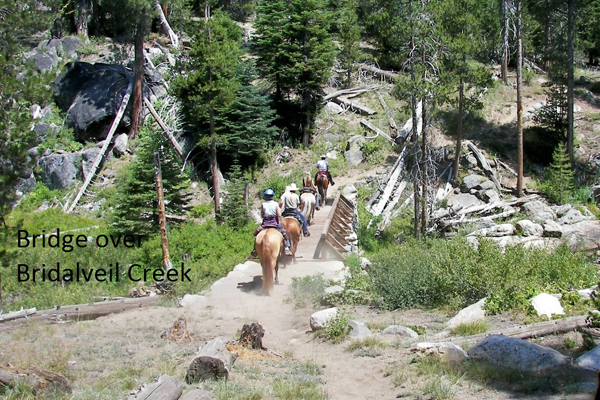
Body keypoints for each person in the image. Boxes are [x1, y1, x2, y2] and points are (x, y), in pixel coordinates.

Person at [252, 188, 291, 257]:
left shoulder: (263, 204)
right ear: (272, 196)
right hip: (274, 222)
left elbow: (262, 214)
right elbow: (279, 215)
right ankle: (287, 247)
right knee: (284, 233)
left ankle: (255, 249)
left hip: (265, 223)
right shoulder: (275, 204)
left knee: (256, 233)